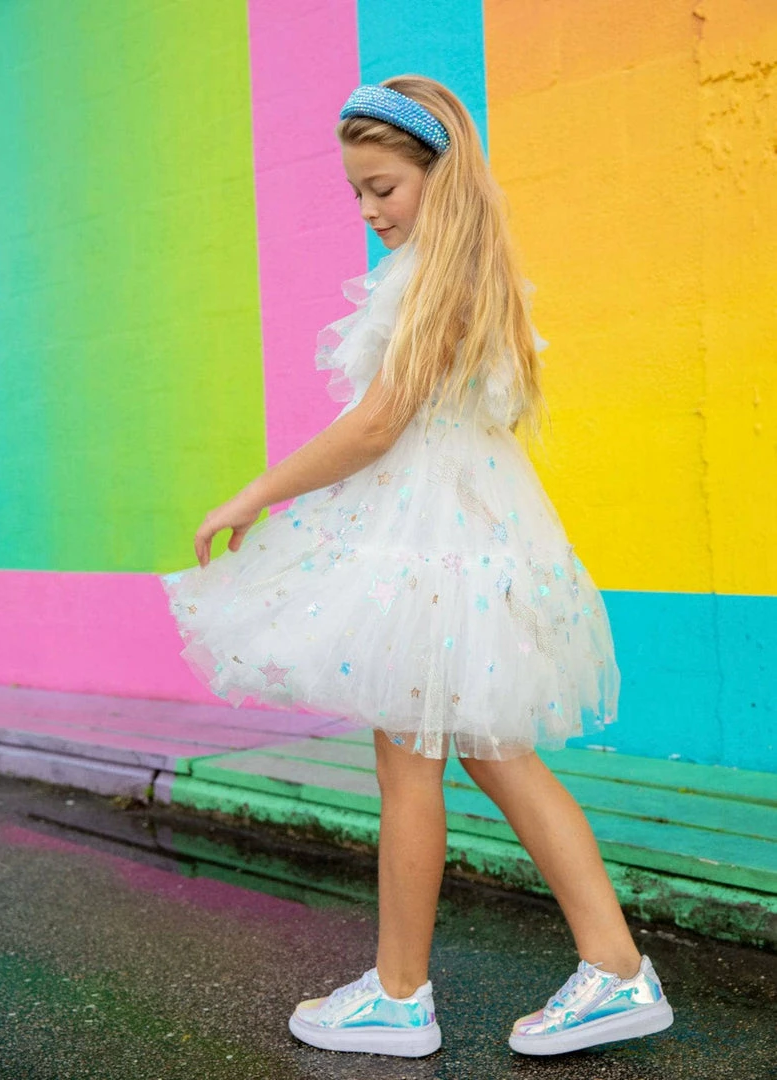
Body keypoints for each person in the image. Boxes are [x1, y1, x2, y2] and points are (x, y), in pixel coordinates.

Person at [161, 75, 674, 1060]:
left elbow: (379, 425)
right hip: (464, 541)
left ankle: (403, 997)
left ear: (441, 177)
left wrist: (256, 493)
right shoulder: (469, 271)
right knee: (489, 754)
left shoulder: (436, 277)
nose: (368, 209)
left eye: (384, 187)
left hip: (433, 549)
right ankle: (610, 969)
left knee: (413, 766)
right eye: (357, 191)